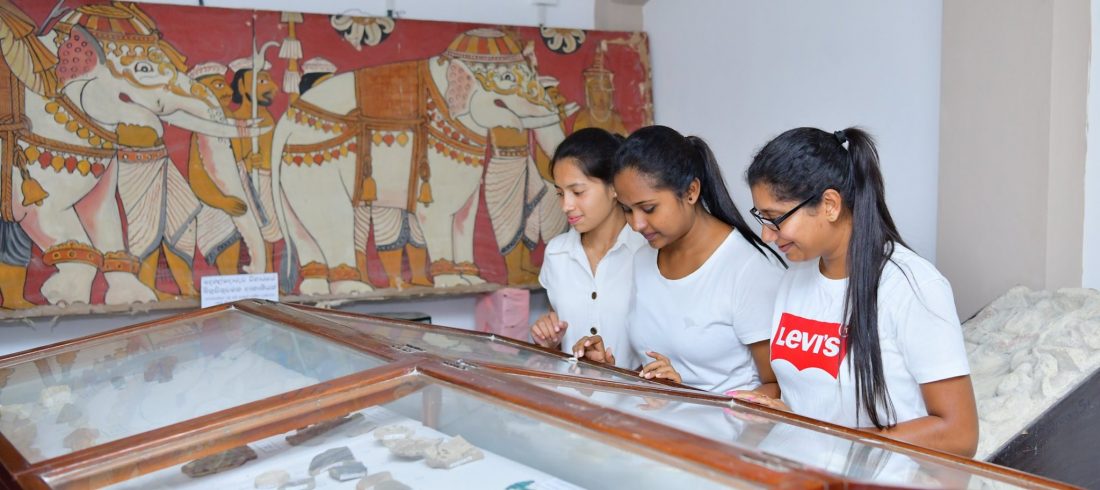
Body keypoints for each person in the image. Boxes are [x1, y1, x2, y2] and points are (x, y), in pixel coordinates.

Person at [742, 127, 978, 457]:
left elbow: (959, 434)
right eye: (761, 218)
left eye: (775, 219)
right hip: (800, 472)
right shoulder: (795, 277)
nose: (767, 235)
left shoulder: (913, 287)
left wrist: (819, 436)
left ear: (830, 204)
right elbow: (806, 394)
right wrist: (764, 405)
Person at [575, 125, 786, 395]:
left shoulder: (749, 268)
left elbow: (778, 387)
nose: (636, 224)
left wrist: (688, 396)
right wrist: (608, 369)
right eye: (627, 210)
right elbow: (656, 366)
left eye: (649, 208)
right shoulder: (643, 259)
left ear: (691, 192)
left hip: (725, 421)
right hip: (659, 417)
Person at [530, 128, 645, 370]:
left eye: (577, 192)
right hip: (568, 392)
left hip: (632, 393)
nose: (566, 205)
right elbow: (559, 340)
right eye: (560, 193)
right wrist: (549, 342)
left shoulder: (647, 252)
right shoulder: (556, 254)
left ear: (613, 187)